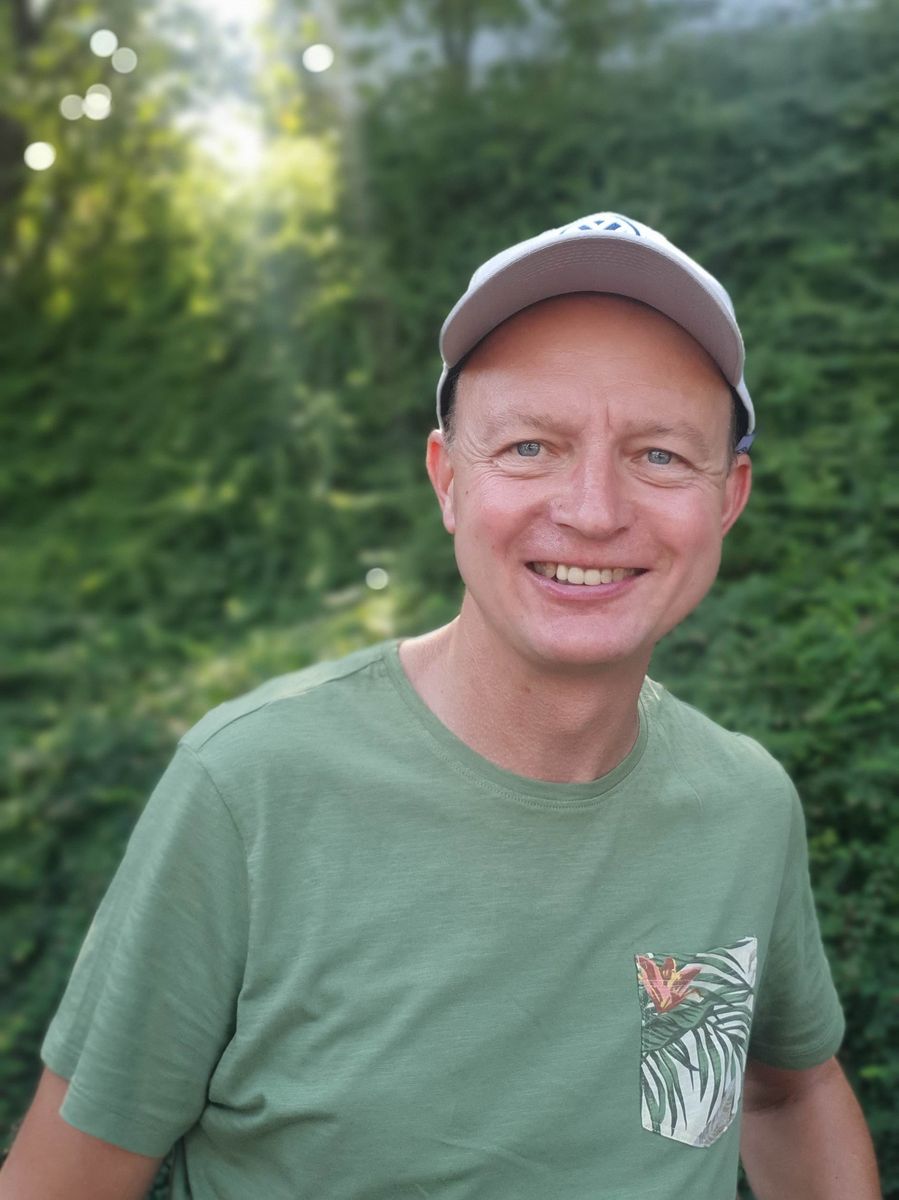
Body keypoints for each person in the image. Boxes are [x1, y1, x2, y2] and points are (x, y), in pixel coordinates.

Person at [0, 212, 880, 1200]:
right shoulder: (252, 790)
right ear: (447, 480)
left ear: (728, 497)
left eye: (660, 455)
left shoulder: (741, 807)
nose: (592, 510)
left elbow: (779, 1095)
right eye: (530, 447)